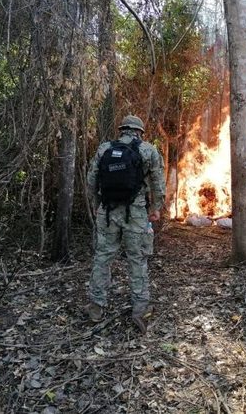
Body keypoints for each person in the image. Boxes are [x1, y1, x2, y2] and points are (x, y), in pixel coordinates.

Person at [84, 115, 165, 334]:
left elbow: (91, 180)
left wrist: (96, 205)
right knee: (137, 259)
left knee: (103, 257)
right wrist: (155, 208)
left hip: (108, 212)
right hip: (136, 213)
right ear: (140, 131)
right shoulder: (148, 150)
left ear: (122, 130)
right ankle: (140, 310)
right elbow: (158, 184)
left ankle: (96, 307)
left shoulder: (104, 149)